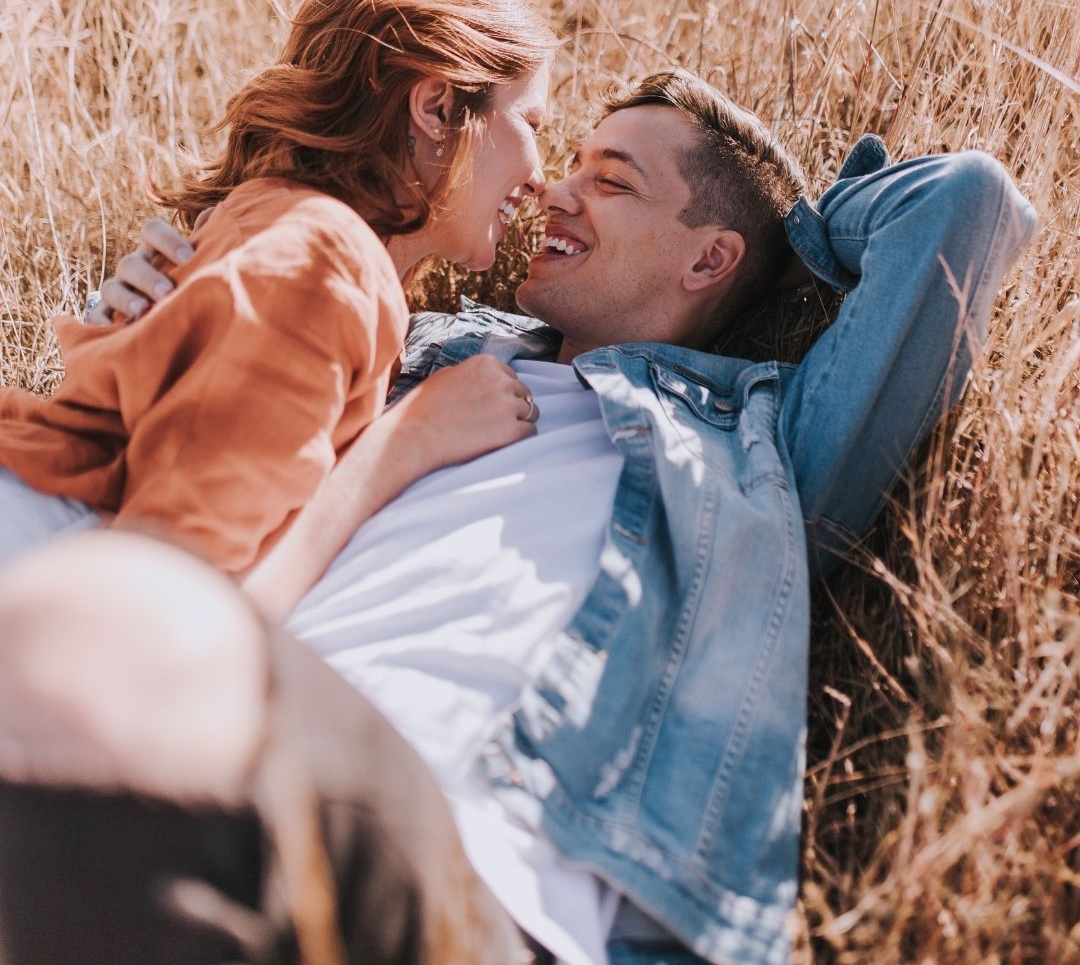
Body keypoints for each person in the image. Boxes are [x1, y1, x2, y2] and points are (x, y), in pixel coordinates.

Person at [0, 70, 1037, 965]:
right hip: (230, 729)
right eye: (571, 159)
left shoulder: (756, 452)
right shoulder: (423, 348)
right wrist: (138, 343)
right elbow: (203, 495)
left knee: (91, 639)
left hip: (471, 861)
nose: (552, 187)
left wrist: (797, 227)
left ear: (710, 260)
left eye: (611, 178)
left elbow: (966, 209)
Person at [0, 0, 556, 575]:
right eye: (530, 121)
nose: (540, 177)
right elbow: (172, 593)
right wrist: (406, 443)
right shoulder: (322, 262)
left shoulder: (310, 248)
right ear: (437, 108)